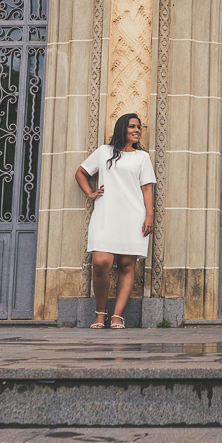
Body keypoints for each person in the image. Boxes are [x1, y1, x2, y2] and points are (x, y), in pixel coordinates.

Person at [75, 113, 155, 329]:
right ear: (122, 128)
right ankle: (100, 313)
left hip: (133, 216)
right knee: (101, 263)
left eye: (139, 127)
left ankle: (117, 315)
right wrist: (91, 193)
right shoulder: (104, 152)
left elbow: (147, 188)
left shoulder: (142, 157)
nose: (137, 130)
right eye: (132, 126)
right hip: (106, 214)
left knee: (127, 265)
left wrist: (149, 215)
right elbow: (81, 172)